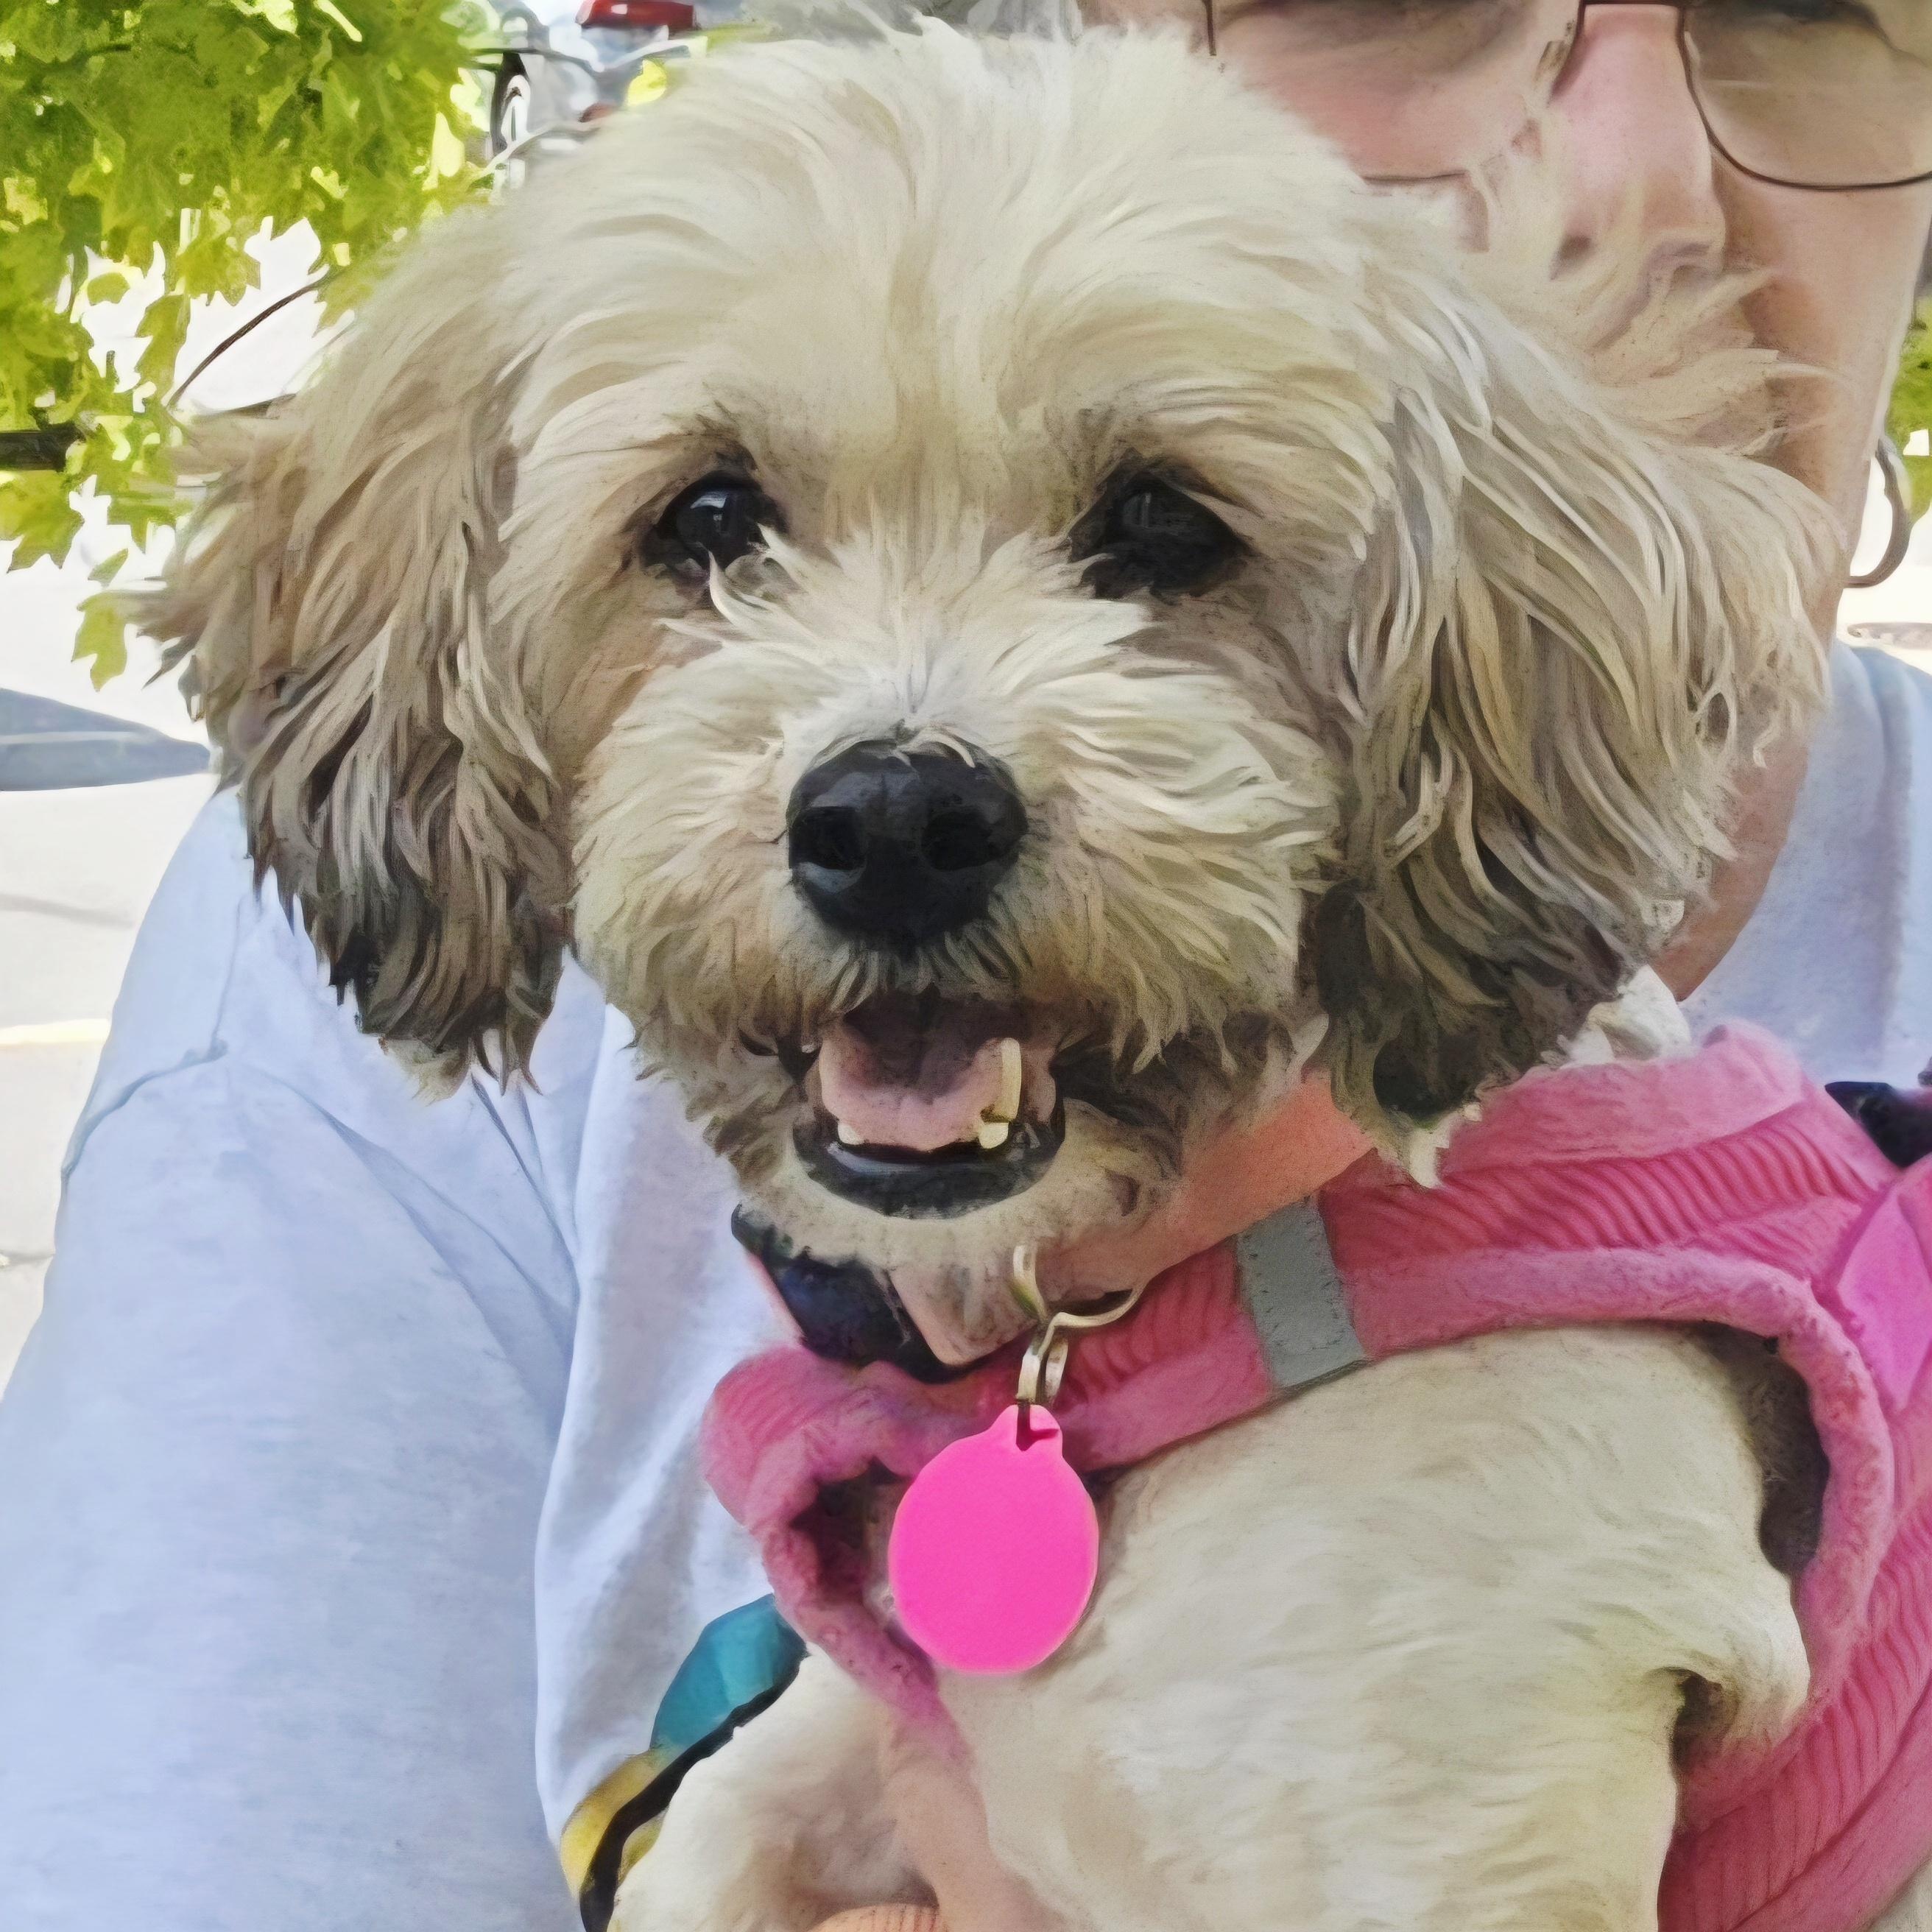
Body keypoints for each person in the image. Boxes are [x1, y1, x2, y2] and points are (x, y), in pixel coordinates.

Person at [2, 3, 1930, 1928]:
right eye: (719, 529)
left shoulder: (1511, 1411)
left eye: (1155, 542)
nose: (1638, 186)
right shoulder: (335, 1115)